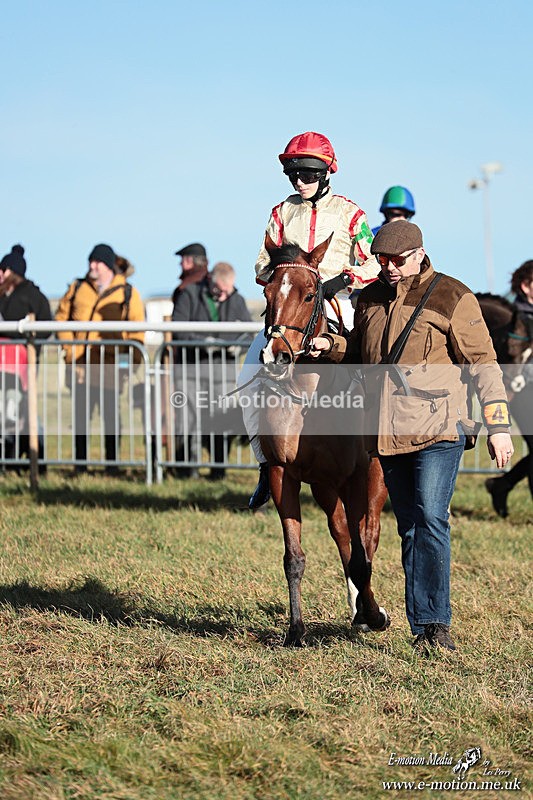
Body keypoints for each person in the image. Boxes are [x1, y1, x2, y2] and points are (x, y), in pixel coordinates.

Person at [308, 221, 513, 652]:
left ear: (420, 253)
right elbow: (362, 357)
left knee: (431, 519)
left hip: (440, 429)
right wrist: (331, 347)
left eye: (397, 261)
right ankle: (422, 623)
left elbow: (484, 363)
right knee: (410, 529)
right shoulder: (370, 298)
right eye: (381, 261)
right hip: (387, 433)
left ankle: (434, 626)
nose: (389, 268)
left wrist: (498, 425)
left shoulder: (452, 296)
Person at [245, 131, 380, 509]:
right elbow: (260, 262)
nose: (299, 182)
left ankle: (380, 448)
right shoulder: (280, 212)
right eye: (293, 176)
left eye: (307, 175)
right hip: (292, 308)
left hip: (339, 301)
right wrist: (284, 272)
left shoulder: (351, 213)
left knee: (370, 357)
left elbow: (372, 261)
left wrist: (343, 279)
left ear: (325, 173)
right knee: (246, 373)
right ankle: (264, 464)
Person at [55, 243, 145, 473]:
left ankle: (112, 465)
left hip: (111, 367)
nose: (92, 266)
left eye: (97, 262)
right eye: (90, 261)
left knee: (111, 417)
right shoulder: (77, 288)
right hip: (80, 367)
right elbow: (61, 319)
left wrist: (130, 365)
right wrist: (71, 351)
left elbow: (136, 332)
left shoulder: (127, 292)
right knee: (80, 417)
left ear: (108, 265)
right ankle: (80, 466)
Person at [172, 260, 252, 479]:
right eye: (220, 291)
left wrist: (238, 345)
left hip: (222, 373)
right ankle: (187, 470)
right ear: (211, 281)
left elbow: (248, 332)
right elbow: (177, 329)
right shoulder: (189, 294)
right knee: (188, 419)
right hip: (191, 371)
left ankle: (219, 470)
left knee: (220, 420)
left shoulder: (237, 299)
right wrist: (203, 341)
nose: (224, 296)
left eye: (228, 291)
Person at [485, 260, 533, 516]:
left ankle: (502, 484)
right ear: (525, 286)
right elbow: (514, 361)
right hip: (522, 392)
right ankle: (502, 485)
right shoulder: (515, 318)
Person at [0, 244, 51, 463]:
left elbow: (46, 327)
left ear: (13, 272)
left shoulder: (33, 296)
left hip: (21, 367)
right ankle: (8, 458)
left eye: (3, 270)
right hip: (3, 365)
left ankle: (33, 458)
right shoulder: (2, 295)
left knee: (22, 410)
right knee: (7, 411)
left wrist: (27, 345)